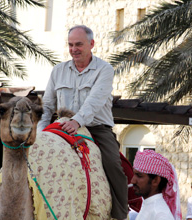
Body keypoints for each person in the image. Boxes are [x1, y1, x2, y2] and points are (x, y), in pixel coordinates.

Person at [37, 25, 128, 219]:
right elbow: (47, 105)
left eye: (78, 44)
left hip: (96, 129)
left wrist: (77, 121)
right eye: (70, 45)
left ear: (91, 44)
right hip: (61, 127)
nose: (73, 49)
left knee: (114, 165)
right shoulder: (58, 71)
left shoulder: (104, 69)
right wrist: (40, 133)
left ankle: (120, 214)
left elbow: (94, 101)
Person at [131, 149, 182, 220]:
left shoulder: (161, 215)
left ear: (155, 181)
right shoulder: (148, 204)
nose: (133, 181)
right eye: (134, 174)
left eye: (139, 175)